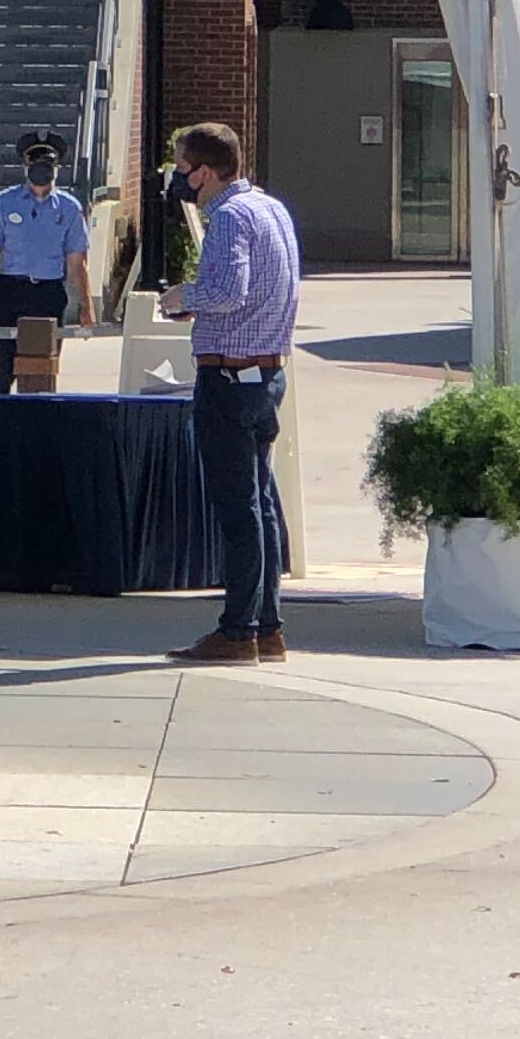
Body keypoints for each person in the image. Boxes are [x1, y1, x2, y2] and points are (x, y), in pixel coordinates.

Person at [166, 120, 303, 666]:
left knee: (239, 509)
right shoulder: (272, 208)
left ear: (204, 172)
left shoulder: (227, 216)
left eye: (181, 170)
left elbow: (228, 290)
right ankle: (267, 627)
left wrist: (183, 297)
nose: (179, 180)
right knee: (262, 504)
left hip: (228, 378)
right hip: (267, 375)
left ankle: (238, 629)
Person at [0, 135, 91, 392]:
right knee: (2, 368)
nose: (42, 169)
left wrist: (86, 306)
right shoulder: (5, 202)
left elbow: (77, 263)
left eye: (47, 163)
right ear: (26, 166)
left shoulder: (70, 209)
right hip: (10, 293)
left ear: (56, 168)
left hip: (47, 294)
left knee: (41, 369)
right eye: (36, 162)